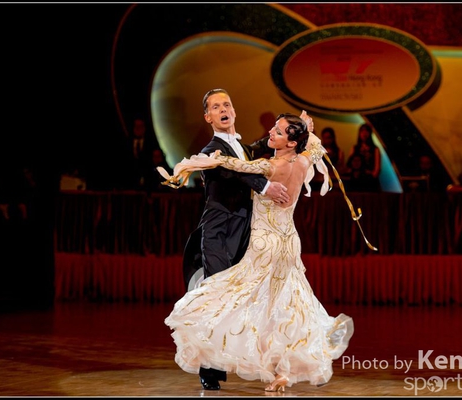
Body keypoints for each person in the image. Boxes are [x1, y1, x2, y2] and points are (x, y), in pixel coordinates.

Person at [163, 112, 353, 392]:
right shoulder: (303, 161)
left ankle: (214, 343)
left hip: (265, 244)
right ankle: (283, 369)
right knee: (286, 305)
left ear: (291, 142)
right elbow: (314, 147)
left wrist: (206, 160)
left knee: (235, 296)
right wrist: (307, 128)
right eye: (274, 128)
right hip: (289, 243)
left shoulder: (269, 166)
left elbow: (236, 166)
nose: (271, 133)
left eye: (278, 132)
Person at [176, 88, 290, 390]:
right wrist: (265, 187)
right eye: (216, 107)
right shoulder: (210, 151)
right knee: (217, 298)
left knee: (241, 299)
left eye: (226, 104)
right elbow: (233, 172)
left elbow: (253, 154)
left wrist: (296, 131)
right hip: (217, 233)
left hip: (243, 234)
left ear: (234, 111)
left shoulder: (243, 149)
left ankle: (237, 360)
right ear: (208, 117)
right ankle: (208, 368)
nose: (223, 109)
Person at [346, 123, 381, 192]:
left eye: (366, 131)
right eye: (362, 131)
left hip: (370, 181)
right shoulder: (355, 148)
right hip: (356, 181)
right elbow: (349, 165)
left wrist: (371, 177)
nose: (364, 133)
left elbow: (377, 169)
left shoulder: (375, 149)